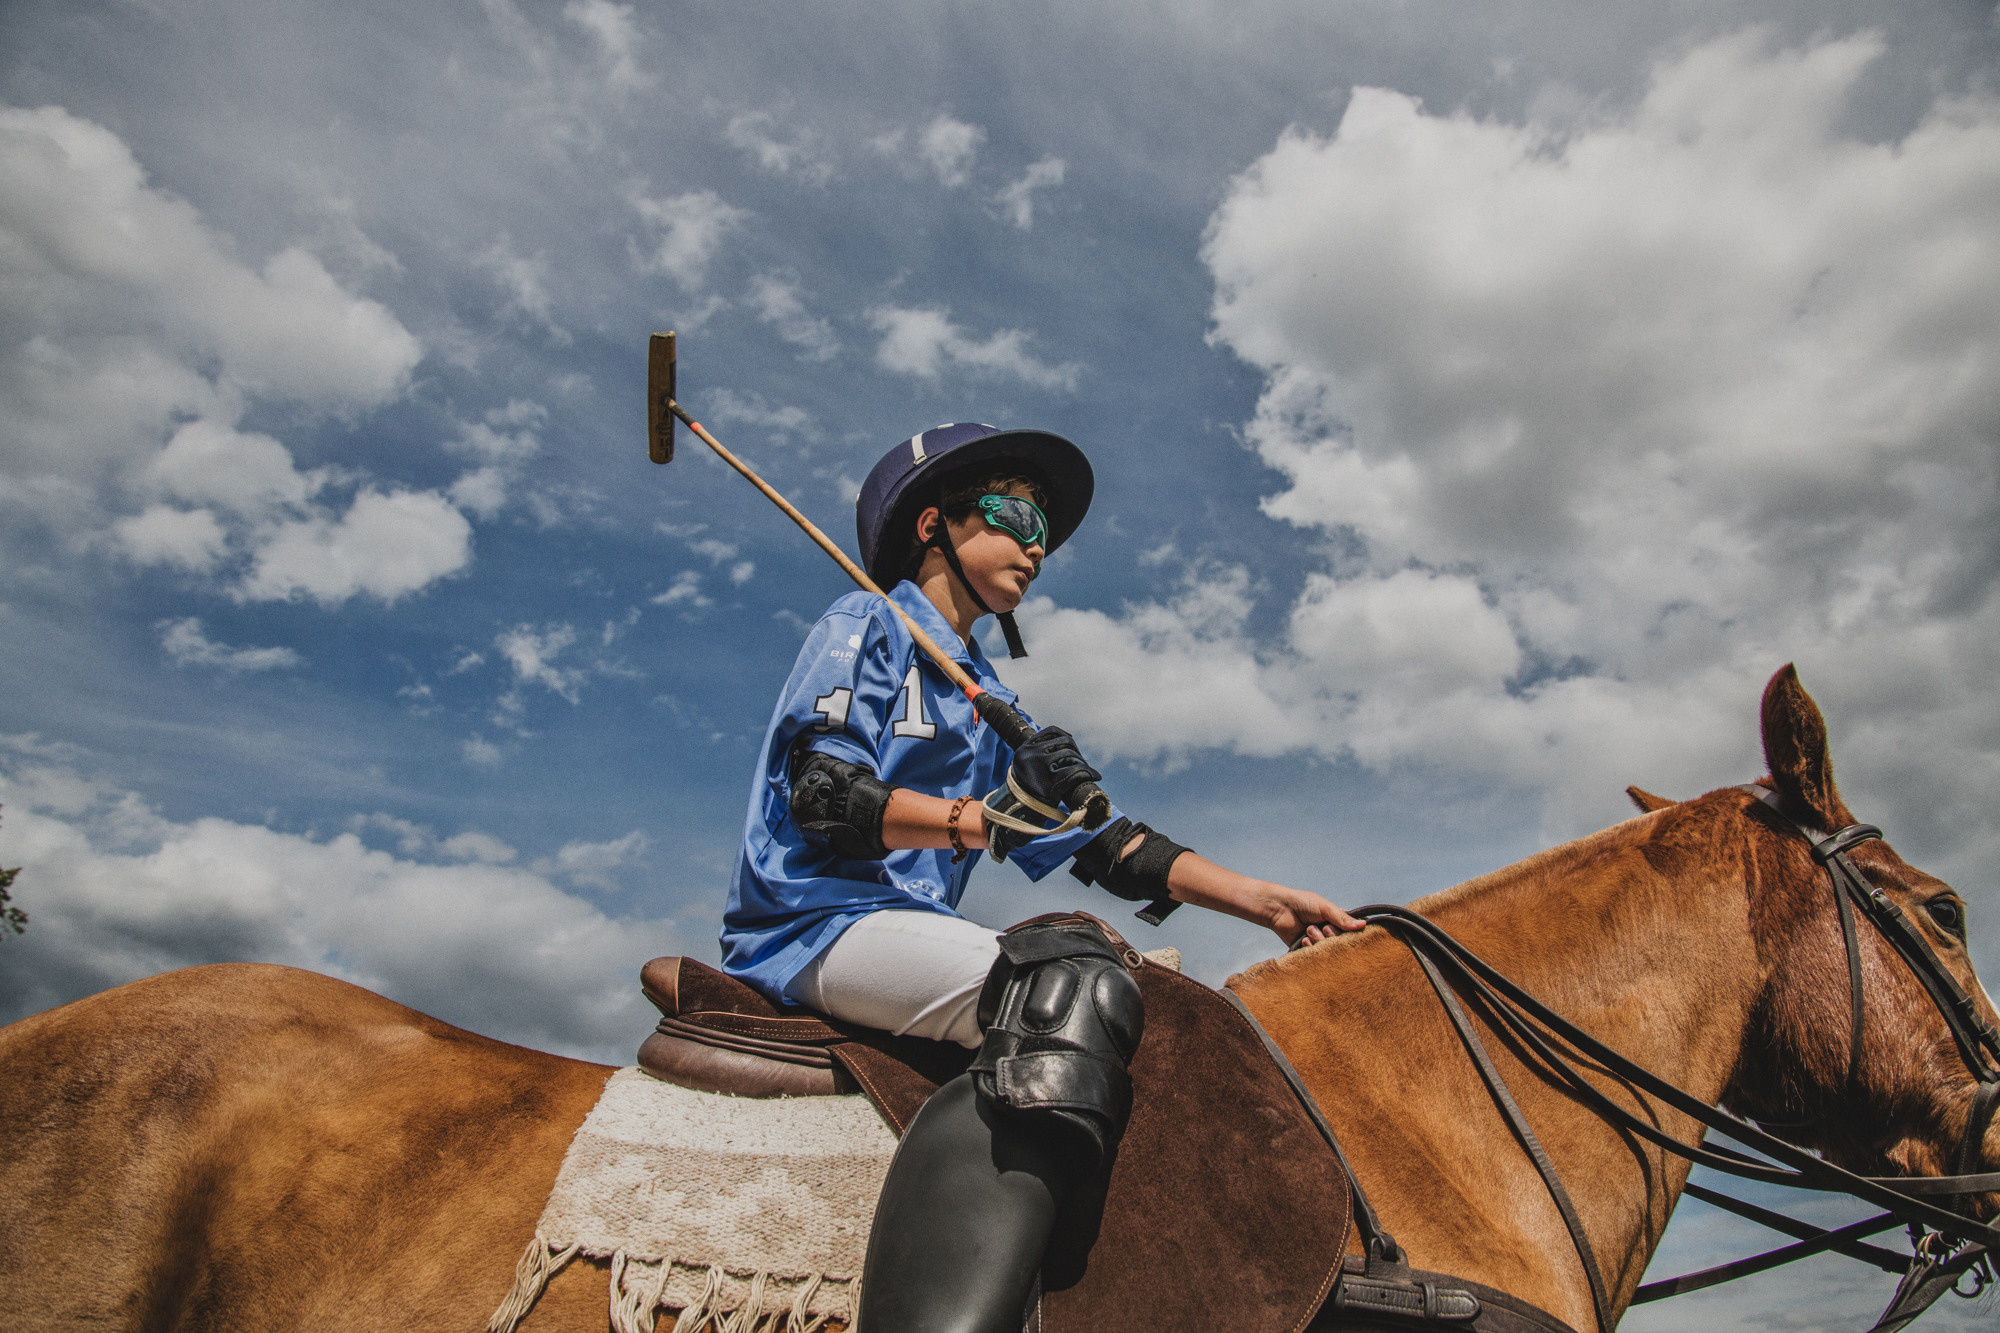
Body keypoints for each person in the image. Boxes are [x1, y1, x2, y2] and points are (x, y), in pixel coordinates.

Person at [721, 422, 1363, 1333]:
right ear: (934, 522)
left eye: (1048, 531)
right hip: (811, 924)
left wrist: (1261, 900)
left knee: (1151, 996)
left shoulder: (987, 694)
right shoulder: (865, 621)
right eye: (1018, 512)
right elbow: (823, 792)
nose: (1037, 543)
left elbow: (1102, 844)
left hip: (893, 929)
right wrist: (977, 820)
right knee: (1065, 986)